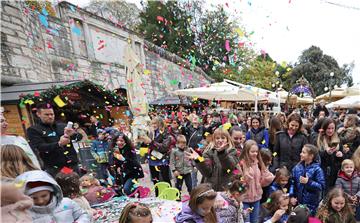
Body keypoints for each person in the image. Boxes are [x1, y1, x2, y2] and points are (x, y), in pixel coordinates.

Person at [27, 103, 82, 177]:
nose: (50, 117)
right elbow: (39, 147)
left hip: (72, 164)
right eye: (46, 114)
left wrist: (74, 134)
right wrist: (59, 144)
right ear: (38, 114)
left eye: (52, 114)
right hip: (54, 167)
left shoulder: (62, 126)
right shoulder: (34, 130)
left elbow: (79, 137)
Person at [15, 170, 90, 223]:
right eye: (34, 198)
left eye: (44, 196)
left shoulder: (66, 203)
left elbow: (82, 215)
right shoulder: (26, 215)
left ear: (51, 191)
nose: (40, 201)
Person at [237, 140, 275, 223]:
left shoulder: (257, 163)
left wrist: (266, 179)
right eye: (252, 152)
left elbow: (262, 181)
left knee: (255, 221)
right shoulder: (241, 164)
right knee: (246, 221)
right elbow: (238, 183)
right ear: (247, 152)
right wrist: (246, 178)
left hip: (256, 198)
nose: (255, 154)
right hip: (245, 199)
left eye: (256, 151)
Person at [139, 117, 174, 190]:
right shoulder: (151, 133)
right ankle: (158, 197)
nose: (153, 125)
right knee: (155, 181)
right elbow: (147, 146)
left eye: (155, 123)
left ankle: (170, 196)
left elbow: (164, 147)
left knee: (166, 180)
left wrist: (151, 142)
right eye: (152, 123)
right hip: (152, 161)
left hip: (162, 160)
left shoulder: (166, 133)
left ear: (160, 124)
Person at [292, 144, 325, 216]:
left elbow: (321, 186)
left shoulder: (317, 169)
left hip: (311, 206)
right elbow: (292, 183)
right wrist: (292, 196)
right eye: (301, 152)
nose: (301, 154)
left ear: (311, 156)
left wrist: (309, 182)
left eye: (303, 152)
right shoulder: (297, 167)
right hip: (298, 204)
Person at [317, 118, 344, 191]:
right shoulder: (319, 139)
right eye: (328, 128)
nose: (330, 130)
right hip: (322, 172)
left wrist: (340, 155)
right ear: (324, 128)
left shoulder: (338, 140)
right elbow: (316, 156)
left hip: (334, 173)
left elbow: (341, 160)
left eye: (332, 128)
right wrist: (326, 153)